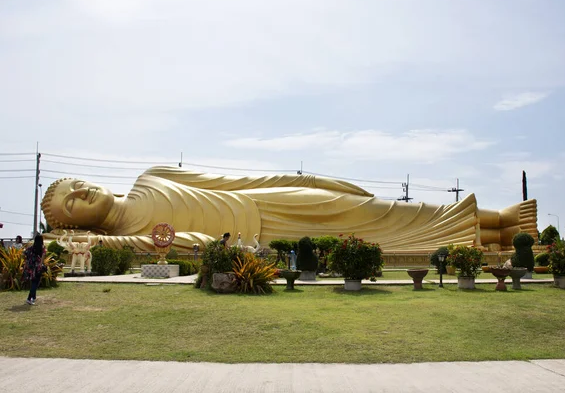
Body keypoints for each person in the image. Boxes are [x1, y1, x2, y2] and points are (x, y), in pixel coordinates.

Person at [40, 166, 538, 252]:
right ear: (67, 225)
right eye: (72, 204)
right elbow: (178, 244)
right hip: (259, 240)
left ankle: (500, 222)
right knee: (369, 241)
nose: (83, 195)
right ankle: (489, 240)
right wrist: (90, 242)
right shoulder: (119, 240)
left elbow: (232, 181)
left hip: (265, 201)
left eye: (79, 186)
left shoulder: (148, 178)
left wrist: (304, 179)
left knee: (375, 212)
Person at [23, 234, 46, 305]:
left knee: (33, 281)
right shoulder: (42, 248)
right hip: (37, 267)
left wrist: (26, 265)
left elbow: (25, 255)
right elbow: (42, 258)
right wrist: (40, 265)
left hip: (30, 266)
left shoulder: (30, 248)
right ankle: (29, 298)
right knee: (35, 283)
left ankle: (33, 297)